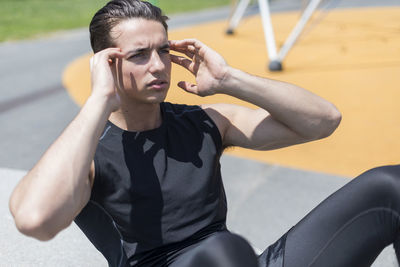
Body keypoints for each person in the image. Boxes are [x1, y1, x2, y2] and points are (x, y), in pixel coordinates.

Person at [8, 0, 400, 266]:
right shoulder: (86, 153)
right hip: (223, 257)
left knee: (389, 184)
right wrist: (99, 99)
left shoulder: (204, 122)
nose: (158, 65)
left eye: (163, 50)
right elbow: (33, 218)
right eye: (139, 55)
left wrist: (230, 79)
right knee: (224, 250)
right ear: (105, 64)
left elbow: (323, 120)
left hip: (235, 260)